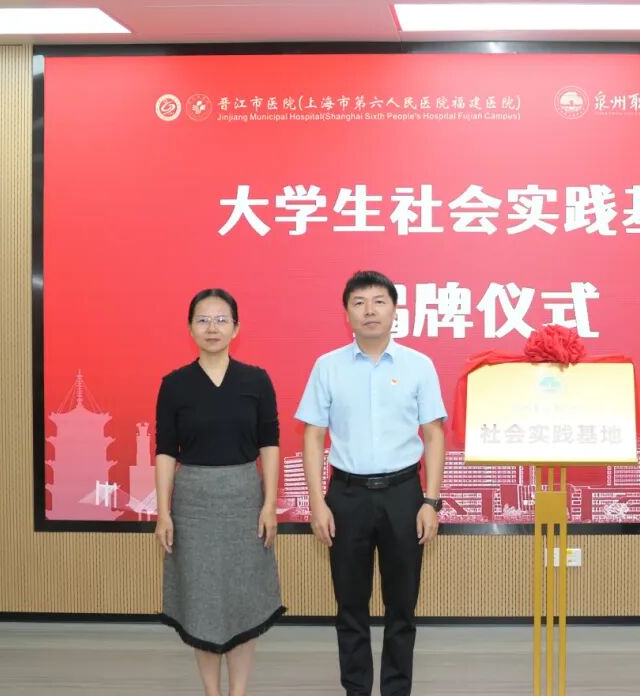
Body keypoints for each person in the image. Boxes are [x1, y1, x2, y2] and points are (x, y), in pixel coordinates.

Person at [296, 270, 447, 696]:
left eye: (379, 301)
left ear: (395, 310)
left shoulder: (419, 365)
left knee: (402, 606)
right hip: (346, 496)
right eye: (359, 302)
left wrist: (431, 501)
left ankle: (397, 690)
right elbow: (313, 435)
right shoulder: (328, 366)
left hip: (404, 495)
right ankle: (356, 690)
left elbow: (434, 434)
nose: (369, 310)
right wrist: (317, 502)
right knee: (350, 606)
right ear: (346, 313)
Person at [155, 288, 284, 696]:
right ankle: (212, 691)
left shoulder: (256, 380)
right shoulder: (174, 385)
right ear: (190, 328)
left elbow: (270, 444)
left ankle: (237, 691)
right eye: (203, 320)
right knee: (202, 602)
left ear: (236, 328)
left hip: (244, 499)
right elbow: (164, 451)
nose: (212, 328)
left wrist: (269, 504)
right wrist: (163, 512)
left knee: (243, 600)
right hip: (193, 503)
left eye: (221, 319)